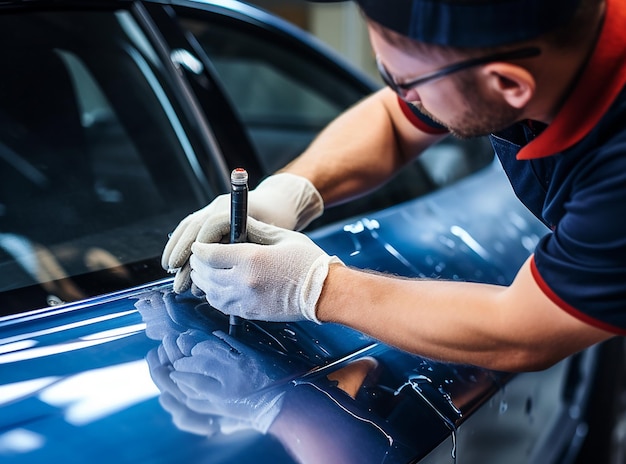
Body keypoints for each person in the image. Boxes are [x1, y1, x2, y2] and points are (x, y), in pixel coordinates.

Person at [162, 0, 626, 373]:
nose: (402, 96)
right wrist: (290, 191)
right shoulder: (507, 48)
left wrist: (317, 288)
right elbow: (392, 119)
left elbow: (524, 331)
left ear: (507, 84)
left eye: (404, 81)